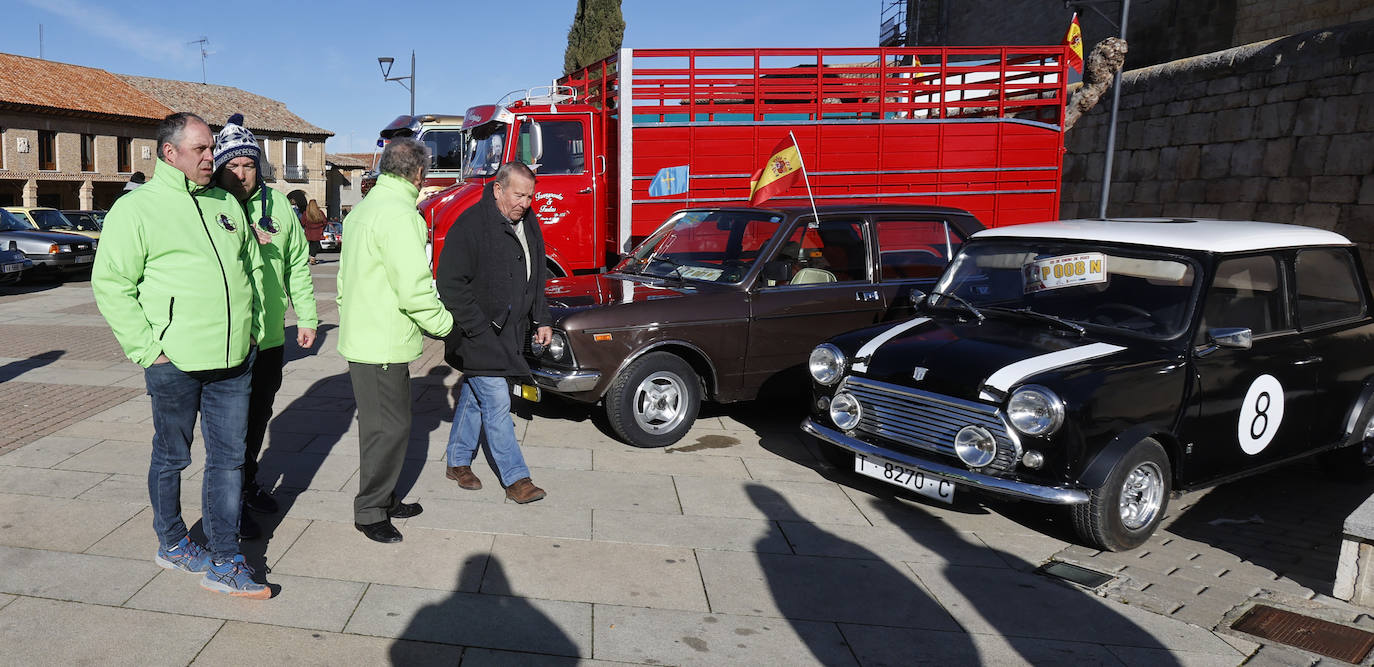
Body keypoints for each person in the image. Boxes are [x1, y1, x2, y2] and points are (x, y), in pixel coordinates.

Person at [92, 112, 269, 599]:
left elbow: (249, 269)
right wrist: (149, 349)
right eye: (202, 149)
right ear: (170, 153)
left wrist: (252, 331)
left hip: (234, 360)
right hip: (175, 361)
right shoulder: (138, 208)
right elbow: (111, 284)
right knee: (173, 456)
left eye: (212, 148)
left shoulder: (223, 204)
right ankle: (171, 542)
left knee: (229, 460)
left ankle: (225, 557)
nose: (214, 156)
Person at [337, 137, 453, 543]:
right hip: (381, 342)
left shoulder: (364, 210)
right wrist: (447, 326)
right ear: (419, 173)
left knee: (387, 428)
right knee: (387, 430)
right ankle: (370, 510)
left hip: (367, 336)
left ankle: (383, 498)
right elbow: (415, 288)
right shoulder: (401, 215)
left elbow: (343, 278)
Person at [212, 114, 318, 540]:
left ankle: (248, 484)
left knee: (258, 419)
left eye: (248, 165)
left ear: (260, 166)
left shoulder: (278, 207)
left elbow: (297, 266)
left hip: (271, 337)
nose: (241, 174)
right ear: (221, 168)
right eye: (233, 166)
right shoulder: (212, 204)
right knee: (231, 429)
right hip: (228, 340)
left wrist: (306, 316)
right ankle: (229, 506)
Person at [436, 161, 551, 504]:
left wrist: (541, 317)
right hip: (478, 334)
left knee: (474, 395)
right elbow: (450, 284)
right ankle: (516, 479)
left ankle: (457, 462)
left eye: (530, 196)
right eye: (519, 195)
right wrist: (477, 327)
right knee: (498, 401)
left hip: (511, 335)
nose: (526, 203)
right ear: (499, 190)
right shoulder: (470, 225)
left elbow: (537, 276)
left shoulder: (528, 223)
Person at [301, 199, 327, 265]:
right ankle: (312, 258)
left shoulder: (306, 213)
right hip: (317, 232)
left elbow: (302, 222)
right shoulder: (320, 213)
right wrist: (322, 229)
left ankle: (308, 257)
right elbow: (325, 222)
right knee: (315, 245)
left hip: (308, 232)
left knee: (308, 245)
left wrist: (305, 227)